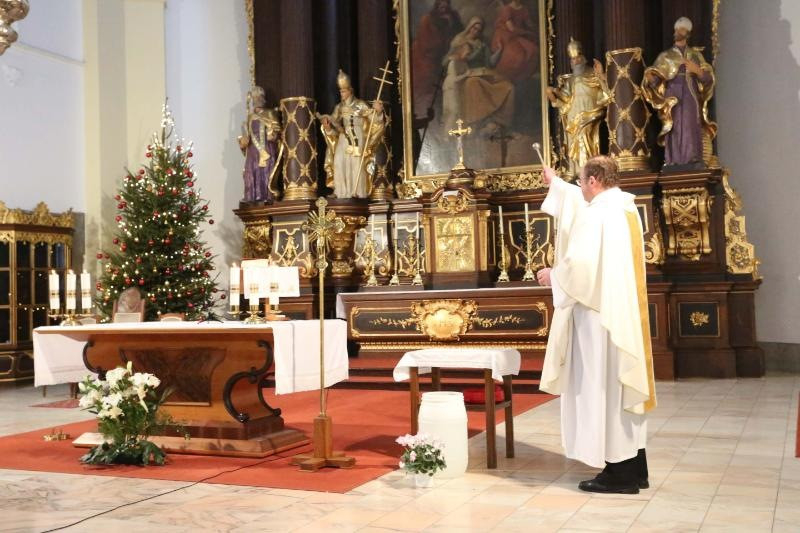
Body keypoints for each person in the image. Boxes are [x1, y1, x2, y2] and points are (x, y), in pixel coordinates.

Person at [536, 155, 656, 494]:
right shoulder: (625, 207)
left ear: (593, 180)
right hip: (619, 314)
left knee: (604, 389)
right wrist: (556, 184)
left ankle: (619, 475)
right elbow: (579, 204)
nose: (579, 187)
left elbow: (581, 267)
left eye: (580, 181)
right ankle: (635, 467)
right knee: (621, 391)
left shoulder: (598, 214)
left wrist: (554, 275)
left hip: (599, 318)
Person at [642, 17, 716, 170]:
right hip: (672, 96)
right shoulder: (666, 56)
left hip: (690, 96)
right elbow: (656, 81)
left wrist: (697, 71)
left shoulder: (695, 55)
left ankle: (692, 159)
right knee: (674, 126)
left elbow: (708, 79)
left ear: (687, 33)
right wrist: (650, 78)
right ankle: (673, 160)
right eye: (676, 30)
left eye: (681, 30)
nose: (677, 33)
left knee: (690, 126)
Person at [547, 38, 611, 178]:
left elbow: (606, 91)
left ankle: (588, 170)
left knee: (585, 136)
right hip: (574, 115)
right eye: (572, 59)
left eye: (577, 58)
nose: (575, 61)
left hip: (590, 112)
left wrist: (601, 75)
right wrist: (553, 93)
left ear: (582, 57)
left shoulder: (593, 73)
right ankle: (577, 171)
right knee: (575, 141)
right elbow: (566, 98)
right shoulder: (570, 80)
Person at [319, 70, 386, 199]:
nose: (341, 94)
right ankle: (340, 191)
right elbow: (333, 121)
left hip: (358, 137)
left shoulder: (360, 104)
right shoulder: (339, 107)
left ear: (350, 91)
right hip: (344, 137)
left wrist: (378, 112)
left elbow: (374, 120)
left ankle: (358, 192)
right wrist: (327, 126)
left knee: (355, 164)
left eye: (344, 91)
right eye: (340, 91)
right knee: (338, 162)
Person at [441, 16, 514, 134]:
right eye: (474, 28)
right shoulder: (459, 40)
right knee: (473, 83)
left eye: (479, 30)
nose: (475, 32)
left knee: (507, 85)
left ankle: (498, 120)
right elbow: (447, 60)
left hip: (482, 73)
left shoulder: (481, 44)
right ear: (470, 27)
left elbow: (490, 63)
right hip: (465, 75)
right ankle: (476, 122)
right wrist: (454, 60)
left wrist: (499, 51)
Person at [411, 0, 463, 117]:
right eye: (441, 6)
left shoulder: (453, 18)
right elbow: (426, 44)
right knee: (426, 84)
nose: (443, 9)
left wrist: (450, 25)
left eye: (446, 6)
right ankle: (423, 114)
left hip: (443, 57)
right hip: (424, 58)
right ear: (437, 6)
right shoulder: (427, 20)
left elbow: (458, 36)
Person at [238, 86, 283, 203]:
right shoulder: (250, 117)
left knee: (266, 171)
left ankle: (268, 196)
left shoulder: (270, 113)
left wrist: (273, 134)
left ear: (264, 99)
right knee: (251, 171)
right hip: (253, 150)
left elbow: (278, 129)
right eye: (255, 97)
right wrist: (243, 142)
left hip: (267, 148)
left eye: (260, 97)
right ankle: (251, 197)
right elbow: (246, 135)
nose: (258, 99)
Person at [491, 0, 538, 83]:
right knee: (517, 54)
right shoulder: (507, 9)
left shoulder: (524, 9)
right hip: (505, 36)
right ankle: (507, 77)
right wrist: (526, 32)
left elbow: (529, 23)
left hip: (517, 35)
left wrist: (536, 29)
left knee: (533, 49)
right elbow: (511, 28)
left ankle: (521, 78)